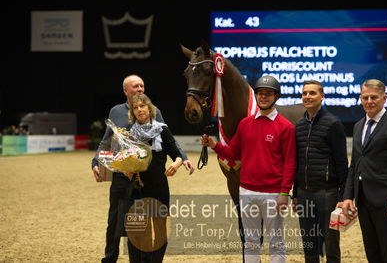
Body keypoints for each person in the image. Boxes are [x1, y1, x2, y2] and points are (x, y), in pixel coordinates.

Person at [91, 74, 194, 263]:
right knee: (115, 220)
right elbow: (106, 140)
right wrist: (95, 161)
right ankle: (110, 258)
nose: (139, 89)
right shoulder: (116, 111)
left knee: (140, 224)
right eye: (135, 86)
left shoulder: (156, 114)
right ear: (125, 91)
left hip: (146, 179)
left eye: (142, 86)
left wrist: (182, 158)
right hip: (122, 175)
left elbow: (169, 140)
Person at [201, 75, 296, 263]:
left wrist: (284, 192)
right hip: (246, 191)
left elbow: (290, 163)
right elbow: (233, 152)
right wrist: (214, 145)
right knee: (251, 242)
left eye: (268, 94)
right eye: (260, 93)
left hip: (272, 193)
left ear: (276, 97)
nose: (263, 97)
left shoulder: (286, 127)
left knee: (276, 242)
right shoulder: (245, 124)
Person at [342, 79, 387, 263]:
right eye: (365, 97)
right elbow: (355, 165)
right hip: (363, 202)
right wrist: (348, 196)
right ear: (360, 98)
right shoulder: (359, 126)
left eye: (374, 97)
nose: (369, 101)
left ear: (384, 98)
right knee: (372, 253)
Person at [292, 80, 348, 263]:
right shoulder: (299, 125)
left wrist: (342, 197)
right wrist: (295, 194)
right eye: (305, 93)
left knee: (331, 245)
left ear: (322, 96)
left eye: (312, 93)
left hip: (328, 194)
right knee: (309, 245)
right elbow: (297, 162)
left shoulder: (333, 124)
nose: (307, 96)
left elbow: (341, 163)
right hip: (304, 194)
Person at [125, 93, 183, 262]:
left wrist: (176, 165)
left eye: (142, 106)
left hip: (159, 187)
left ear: (149, 108)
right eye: (135, 108)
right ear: (133, 112)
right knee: (141, 231)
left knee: (160, 231)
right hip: (138, 188)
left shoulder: (162, 129)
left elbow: (176, 154)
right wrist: (127, 170)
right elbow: (126, 160)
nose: (139, 110)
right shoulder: (130, 133)